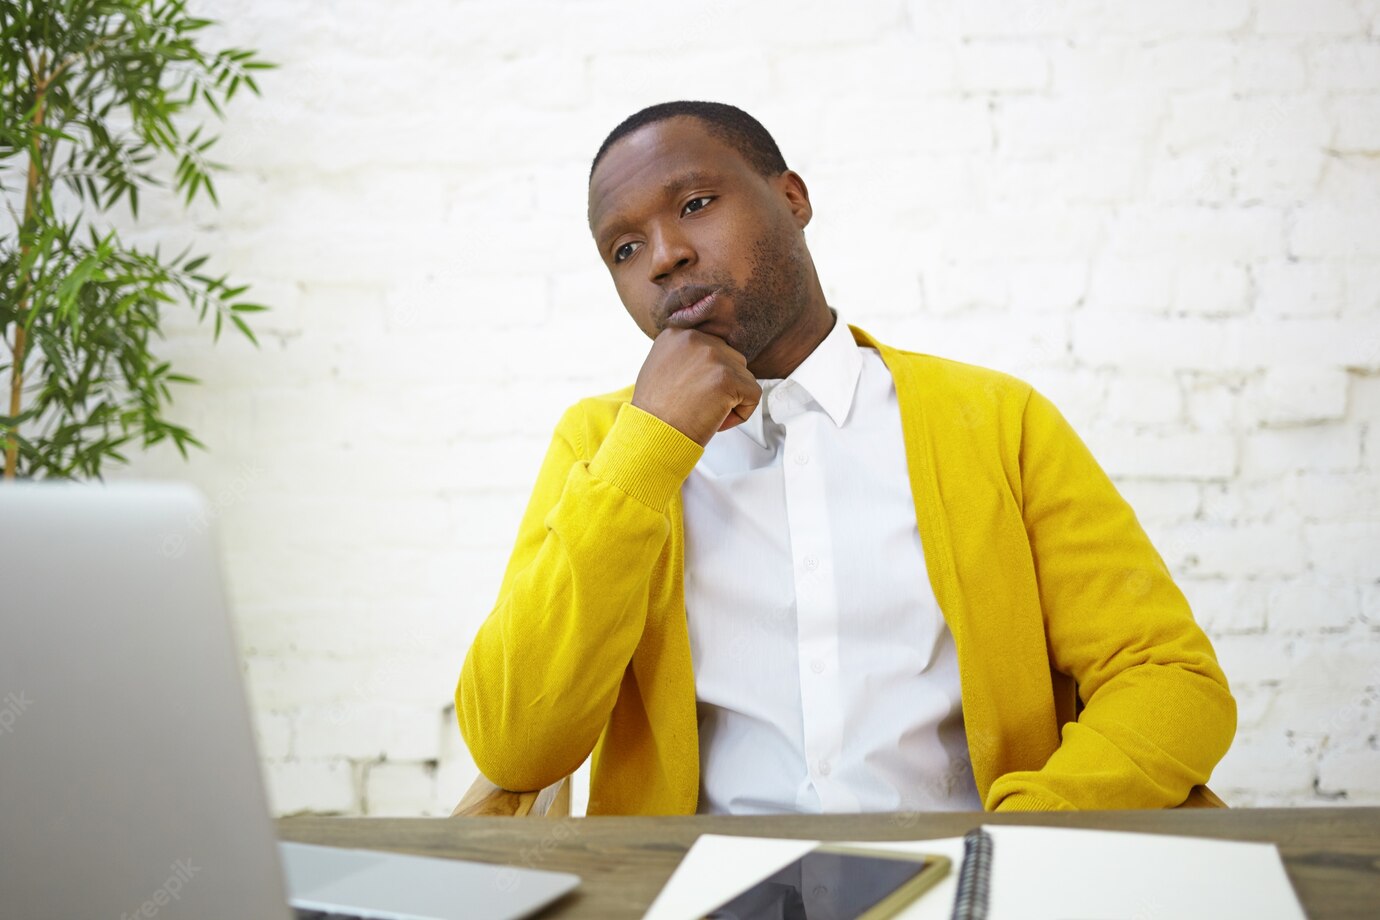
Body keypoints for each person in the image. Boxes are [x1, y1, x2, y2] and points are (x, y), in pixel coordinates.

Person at [454, 100, 1236, 816]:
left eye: (695, 204)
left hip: (967, 882)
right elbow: (516, 743)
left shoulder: (995, 420)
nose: (663, 256)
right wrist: (648, 447)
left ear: (791, 198)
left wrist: (1029, 839)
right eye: (624, 248)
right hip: (700, 892)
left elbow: (1165, 677)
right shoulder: (602, 447)